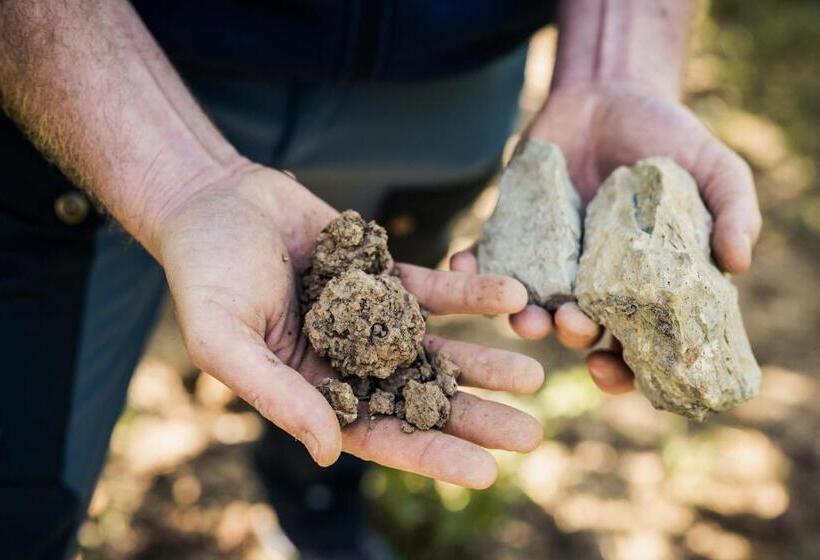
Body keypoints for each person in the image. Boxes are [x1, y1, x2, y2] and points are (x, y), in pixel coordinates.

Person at [0, 1, 761, 558]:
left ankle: (314, 520)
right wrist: (178, 182)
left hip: (448, 88)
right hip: (107, 81)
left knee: (341, 410)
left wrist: (615, 68)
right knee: (27, 489)